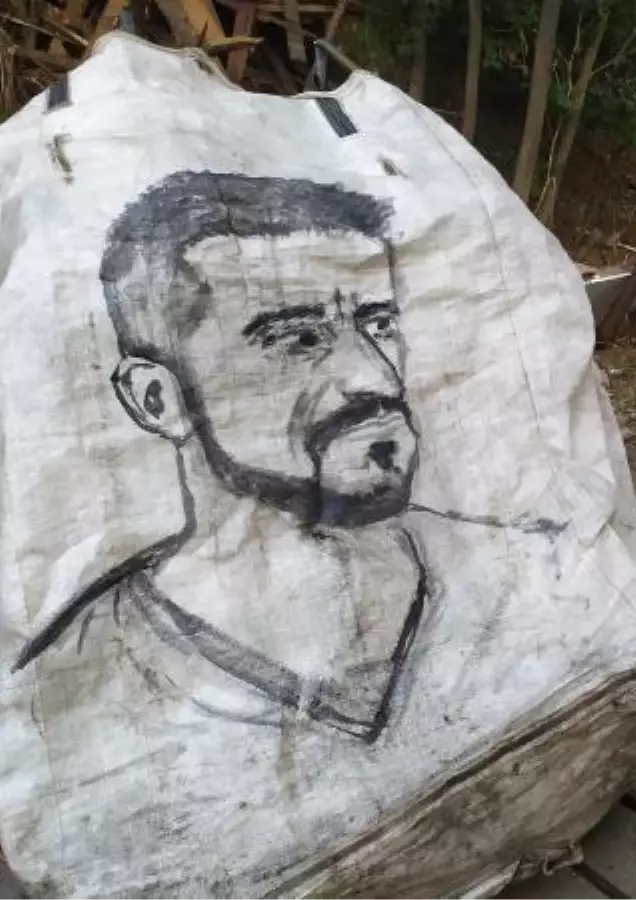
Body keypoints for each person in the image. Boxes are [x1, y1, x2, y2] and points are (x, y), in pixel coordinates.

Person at [12, 171, 559, 742]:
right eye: (298, 339)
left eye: (378, 325)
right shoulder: (70, 689)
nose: (377, 375)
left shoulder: (527, 566)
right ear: (159, 399)